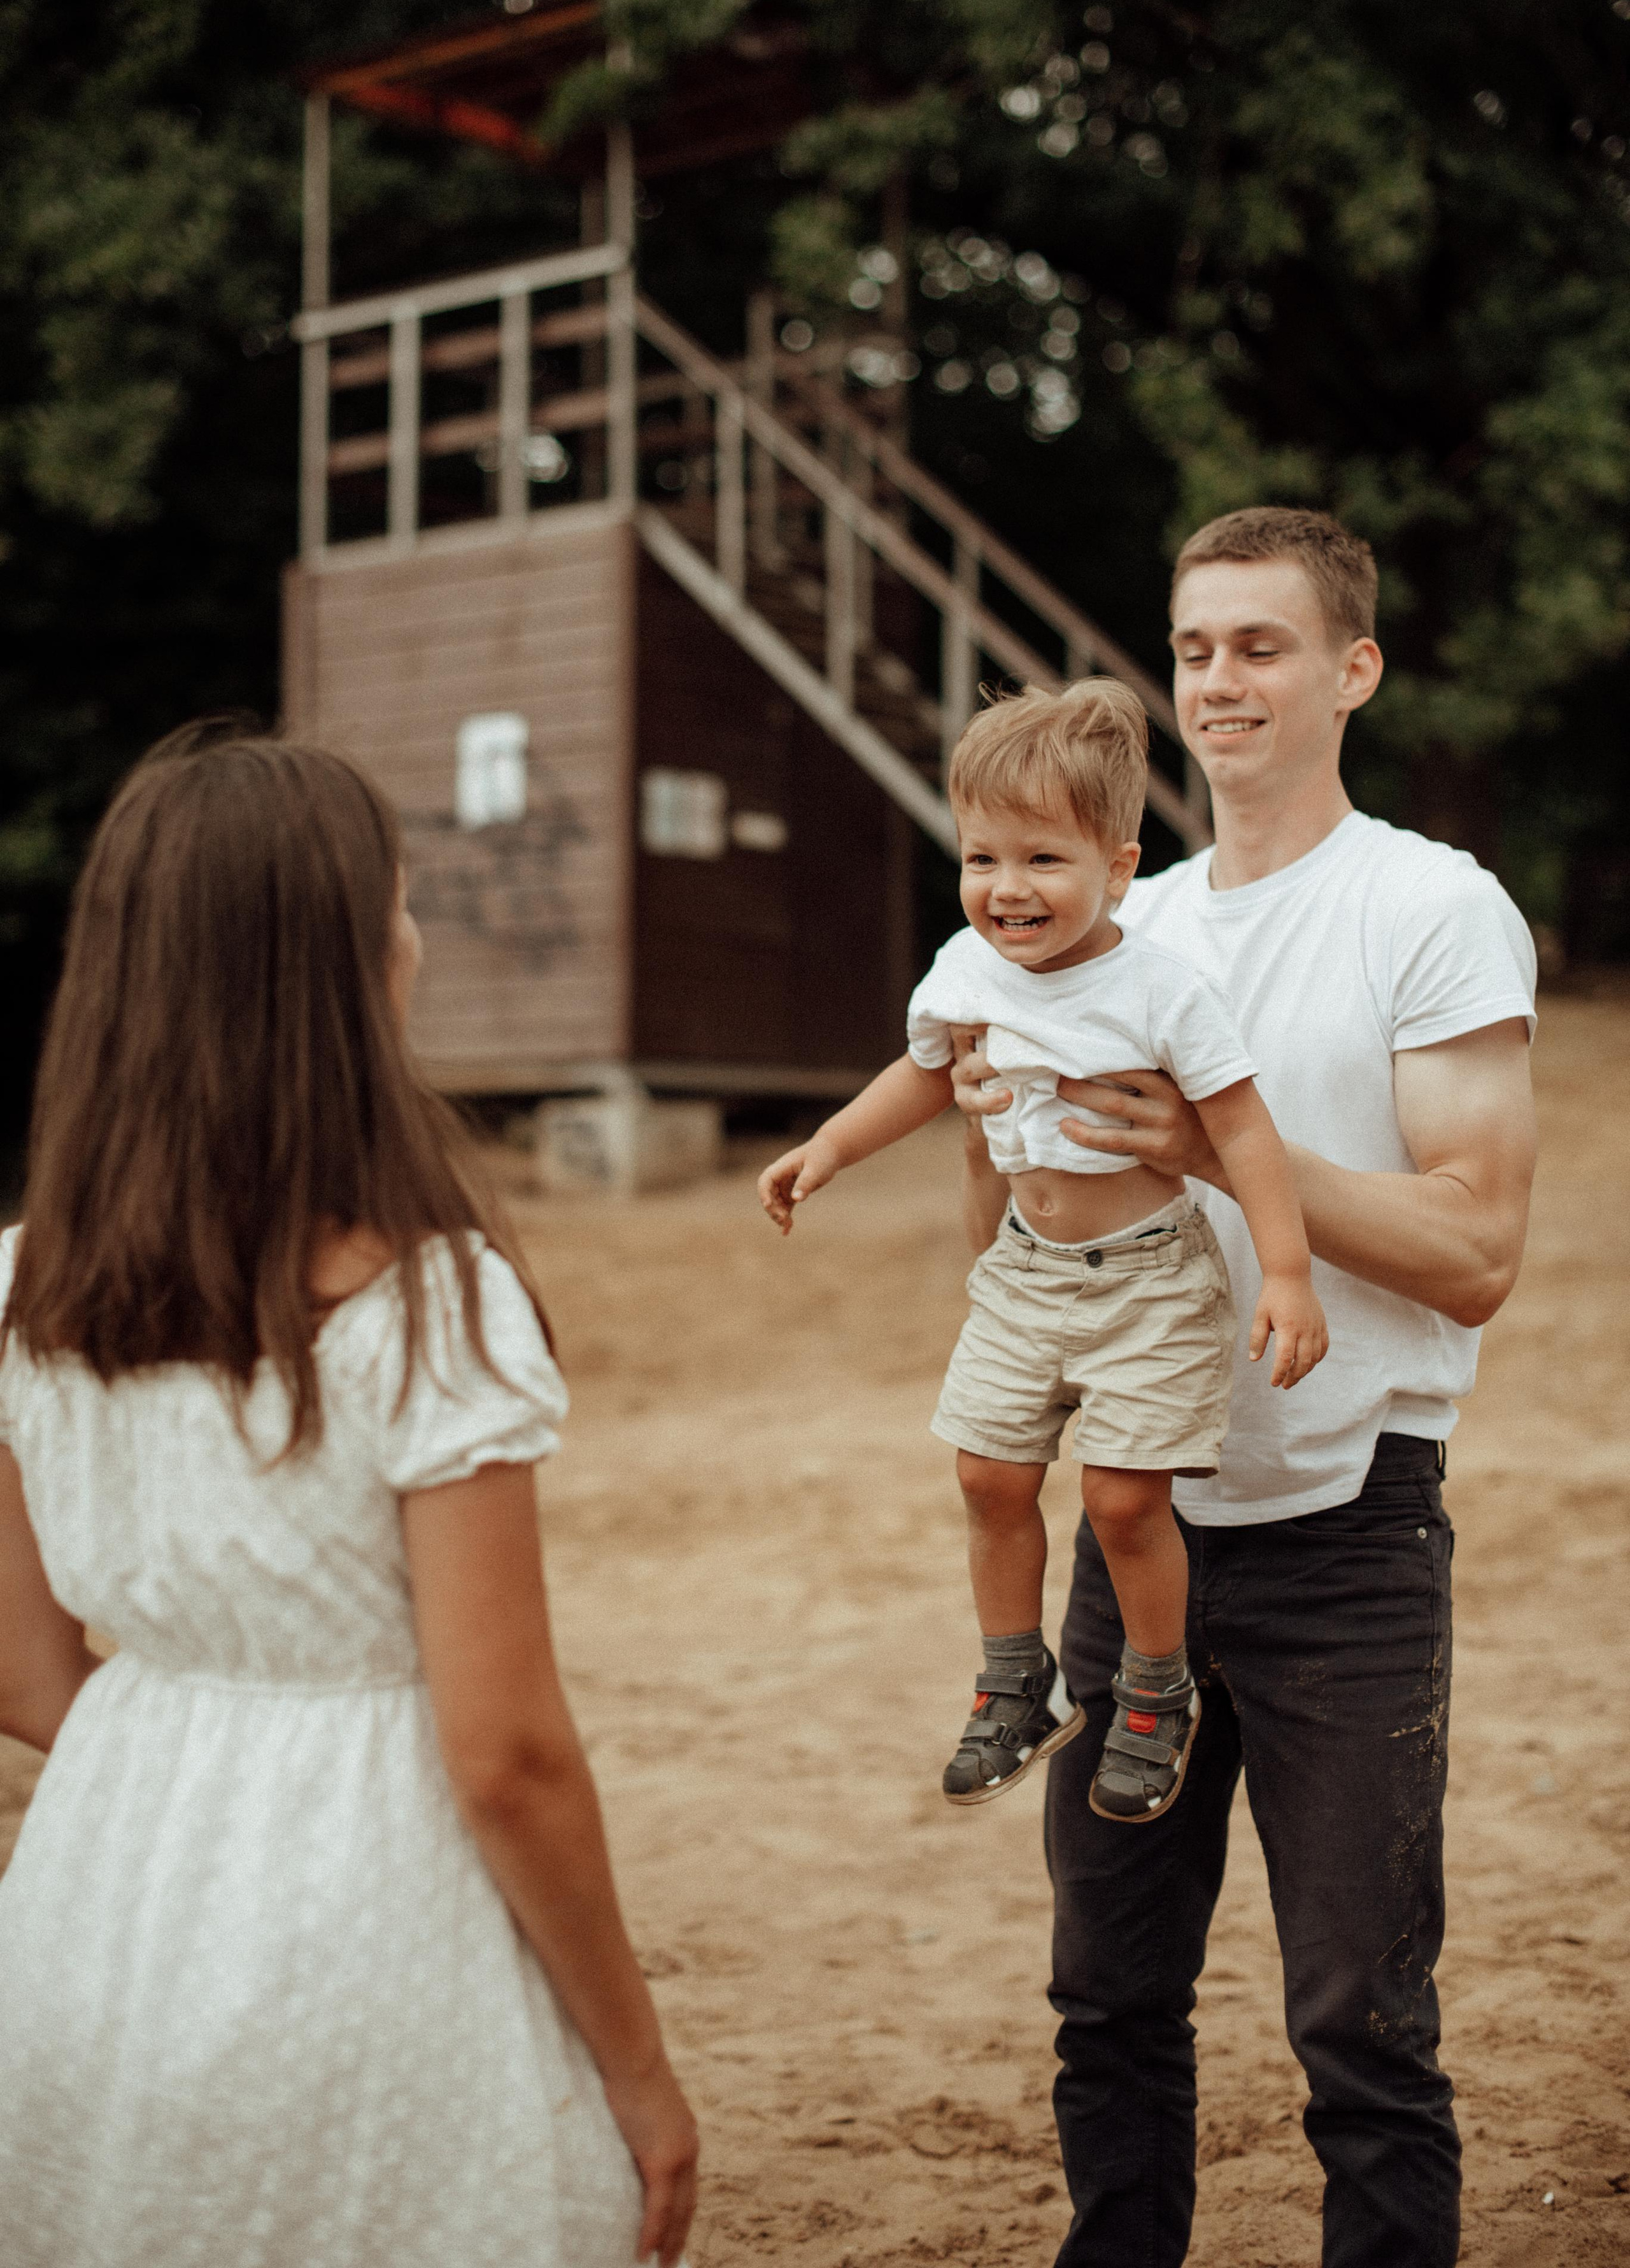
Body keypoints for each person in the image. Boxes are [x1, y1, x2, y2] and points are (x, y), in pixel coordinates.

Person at [0, 724, 698, 2268]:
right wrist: (642, 2077)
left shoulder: (20, 1287)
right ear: (336, 964)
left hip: (94, 1910)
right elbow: (504, 1753)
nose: (418, 935)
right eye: (395, 902)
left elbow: (27, 1675)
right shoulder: (426, 1307)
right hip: (368, 1930)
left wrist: (202, 1765)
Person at [951, 508, 1537, 2268]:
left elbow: (1476, 1245)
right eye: (1196, 646)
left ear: (1353, 670)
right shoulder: (1104, 906)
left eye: (1262, 646)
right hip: (1132, 1525)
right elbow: (1019, 1205)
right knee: (1104, 1998)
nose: (1219, 679)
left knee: (1360, 2023)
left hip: (1349, 1534)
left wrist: (1218, 1150)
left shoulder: (1431, 905)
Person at [758, 680, 1326, 1823]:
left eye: (1043, 860)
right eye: (981, 858)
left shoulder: (1164, 990)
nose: (1006, 890)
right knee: (986, 1471)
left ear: (1117, 869)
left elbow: (1246, 1131)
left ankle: (1156, 1693)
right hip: (1024, 1274)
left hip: (1150, 1283)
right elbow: (921, 1076)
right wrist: (828, 1146)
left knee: (1122, 1501)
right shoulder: (966, 971)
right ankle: (1016, 1680)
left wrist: (1290, 1269)